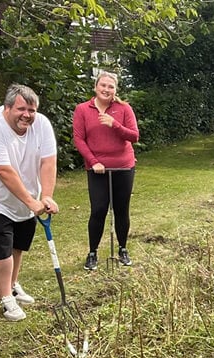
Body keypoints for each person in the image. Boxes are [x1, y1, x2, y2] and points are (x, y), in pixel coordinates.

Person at [0, 84, 59, 321]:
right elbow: (3, 172)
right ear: (7, 108)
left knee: (19, 242)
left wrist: (45, 196)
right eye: (21, 109)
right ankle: (6, 299)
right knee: (0, 244)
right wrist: (30, 201)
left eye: (32, 110)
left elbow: (48, 162)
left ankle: (13, 284)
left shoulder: (42, 124)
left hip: (23, 195)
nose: (27, 115)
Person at [73, 71, 140, 270]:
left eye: (111, 87)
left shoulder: (123, 108)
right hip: (97, 168)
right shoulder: (83, 109)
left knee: (121, 210)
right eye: (103, 85)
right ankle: (92, 252)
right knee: (99, 209)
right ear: (96, 87)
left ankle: (122, 248)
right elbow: (79, 139)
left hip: (123, 166)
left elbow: (134, 136)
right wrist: (93, 162)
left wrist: (115, 125)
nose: (106, 89)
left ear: (115, 90)